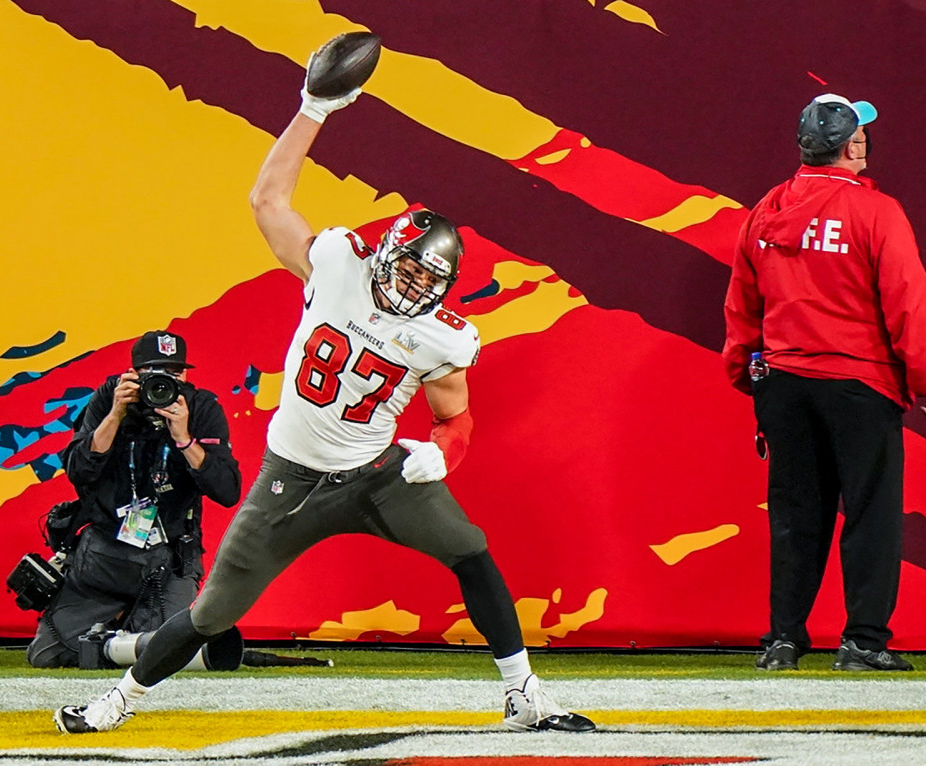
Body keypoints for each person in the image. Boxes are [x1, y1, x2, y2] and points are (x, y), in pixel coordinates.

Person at [54, 56, 594, 735]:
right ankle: (118, 700)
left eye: (431, 280)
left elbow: (455, 420)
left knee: (471, 550)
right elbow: (266, 202)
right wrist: (314, 108)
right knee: (214, 611)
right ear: (382, 252)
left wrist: (443, 456)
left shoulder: (442, 338)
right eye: (407, 267)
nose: (414, 287)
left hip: (376, 473)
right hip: (292, 477)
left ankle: (523, 696)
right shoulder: (337, 265)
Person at [723, 93, 926, 672]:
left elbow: (741, 303)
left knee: (796, 512)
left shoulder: (766, 210)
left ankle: (782, 640)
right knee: (871, 510)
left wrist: (744, 371)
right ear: (852, 148)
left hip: (784, 380)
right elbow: (908, 303)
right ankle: (863, 642)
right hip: (858, 382)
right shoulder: (876, 213)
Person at [27, 330, 242, 669]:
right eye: (154, 372)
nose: (165, 382)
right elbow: (78, 471)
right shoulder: (110, 399)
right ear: (133, 373)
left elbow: (228, 491)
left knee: (169, 657)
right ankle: (118, 641)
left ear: (185, 375)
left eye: (175, 373)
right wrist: (115, 415)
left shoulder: (199, 407)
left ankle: (113, 642)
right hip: (105, 553)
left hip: (169, 556)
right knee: (47, 655)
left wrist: (184, 439)